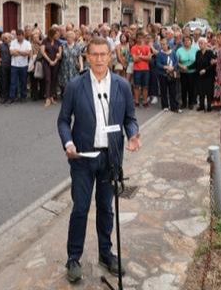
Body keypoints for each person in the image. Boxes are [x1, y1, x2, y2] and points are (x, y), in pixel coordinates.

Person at [56, 37, 141, 283]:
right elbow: (63, 120)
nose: (100, 59)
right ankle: (73, 258)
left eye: (104, 54)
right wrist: (68, 142)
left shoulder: (122, 86)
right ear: (88, 57)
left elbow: (130, 118)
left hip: (110, 158)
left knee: (106, 208)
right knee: (80, 208)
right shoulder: (75, 85)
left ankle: (106, 254)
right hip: (83, 158)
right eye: (95, 54)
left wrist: (134, 134)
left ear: (110, 56)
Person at [42, 27, 64, 107]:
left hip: (55, 63)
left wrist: (55, 61)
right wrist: (49, 61)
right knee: (48, 79)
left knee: (54, 79)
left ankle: (52, 96)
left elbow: (60, 53)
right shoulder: (45, 41)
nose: (58, 35)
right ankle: (47, 98)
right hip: (46, 63)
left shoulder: (58, 42)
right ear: (52, 34)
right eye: (56, 34)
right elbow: (43, 52)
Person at [130, 33, 153, 108]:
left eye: (141, 38)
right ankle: (136, 101)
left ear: (143, 38)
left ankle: (145, 101)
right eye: (138, 38)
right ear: (136, 39)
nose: (140, 39)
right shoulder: (133, 48)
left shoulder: (147, 47)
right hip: (137, 69)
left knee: (145, 86)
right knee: (137, 86)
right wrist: (144, 57)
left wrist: (140, 56)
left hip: (146, 69)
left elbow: (149, 58)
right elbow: (134, 59)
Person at [194, 37, 215, 112]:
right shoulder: (198, 53)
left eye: (202, 43)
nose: (200, 45)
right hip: (200, 75)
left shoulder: (210, 52)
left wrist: (205, 70)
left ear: (206, 44)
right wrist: (188, 67)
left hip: (208, 75)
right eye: (199, 43)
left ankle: (209, 106)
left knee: (209, 91)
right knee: (201, 91)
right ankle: (202, 105)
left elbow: (212, 64)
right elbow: (196, 63)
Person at [176, 35, 198, 110]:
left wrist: (189, 67)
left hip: (192, 72)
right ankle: (184, 103)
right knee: (184, 88)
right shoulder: (179, 50)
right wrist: (181, 66)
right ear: (183, 42)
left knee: (191, 88)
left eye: (188, 40)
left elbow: (197, 60)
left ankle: (191, 102)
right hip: (183, 72)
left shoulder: (196, 50)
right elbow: (176, 61)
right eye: (185, 40)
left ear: (191, 42)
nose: (187, 42)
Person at [0, 32, 12, 103]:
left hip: (11, 65)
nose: (6, 39)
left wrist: (9, 46)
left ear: (10, 38)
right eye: (5, 38)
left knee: (10, 81)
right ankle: (4, 97)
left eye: (7, 38)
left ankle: (10, 96)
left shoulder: (12, 45)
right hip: (3, 65)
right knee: (4, 81)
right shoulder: (1, 45)